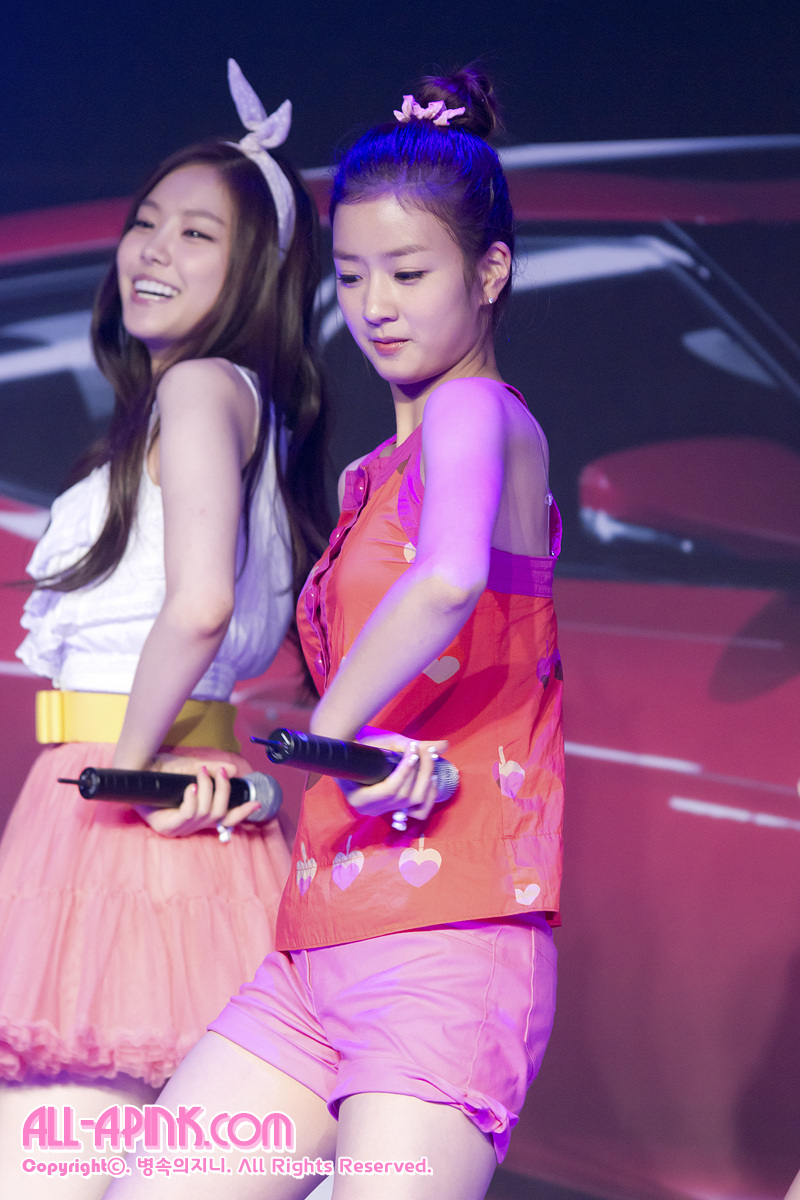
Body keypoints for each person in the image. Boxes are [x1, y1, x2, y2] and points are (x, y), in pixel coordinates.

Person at [108, 64, 563, 1200]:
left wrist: (331, 731)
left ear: (490, 272)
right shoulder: (376, 472)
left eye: (409, 273)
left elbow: (449, 577)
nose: (375, 306)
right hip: (317, 943)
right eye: (352, 276)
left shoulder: (476, 411)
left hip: (445, 944)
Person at [0, 61, 329, 1195]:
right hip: (152, 797)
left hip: (129, 803)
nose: (152, 250)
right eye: (146, 222)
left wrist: (126, 773)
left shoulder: (199, 392)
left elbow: (199, 604)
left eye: (196, 235)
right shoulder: (237, 409)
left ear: (255, 273)